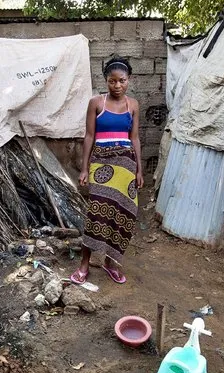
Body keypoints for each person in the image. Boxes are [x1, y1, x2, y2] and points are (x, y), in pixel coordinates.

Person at [70, 57, 143, 285]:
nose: (117, 85)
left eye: (122, 81)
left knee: (122, 214)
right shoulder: (96, 103)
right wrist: (84, 168)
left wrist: (139, 170)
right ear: (106, 81)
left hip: (126, 166)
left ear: (128, 80)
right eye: (113, 81)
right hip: (102, 164)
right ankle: (84, 264)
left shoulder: (133, 105)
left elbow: (135, 138)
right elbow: (89, 136)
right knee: (97, 213)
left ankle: (110, 263)